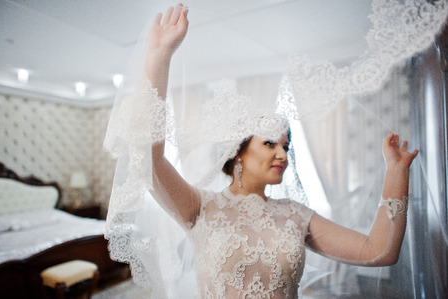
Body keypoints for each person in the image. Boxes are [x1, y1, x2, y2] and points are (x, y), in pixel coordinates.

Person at [105, 3, 419, 298]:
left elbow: (379, 251)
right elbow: (148, 159)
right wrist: (160, 55)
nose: (283, 154)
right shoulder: (199, 207)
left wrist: (396, 171)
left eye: (286, 145)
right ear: (237, 151)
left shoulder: (296, 215)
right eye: (270, 143)